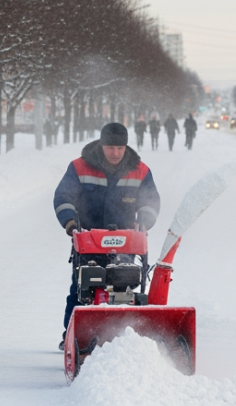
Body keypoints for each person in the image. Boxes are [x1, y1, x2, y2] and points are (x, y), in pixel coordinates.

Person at [52, 122, 160, 348]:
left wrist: (146, 221)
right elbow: (63, 197)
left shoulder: (140, 170)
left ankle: (124, 335)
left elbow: (150, 200)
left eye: (120, 148)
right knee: (81, 287)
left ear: (125, 147)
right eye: (110, 147)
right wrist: (71, 223)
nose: (115, 153)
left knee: (124, 284)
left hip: (125, 241)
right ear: (102, 145)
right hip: (88, 239)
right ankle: (70, 336)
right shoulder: (80, 167)